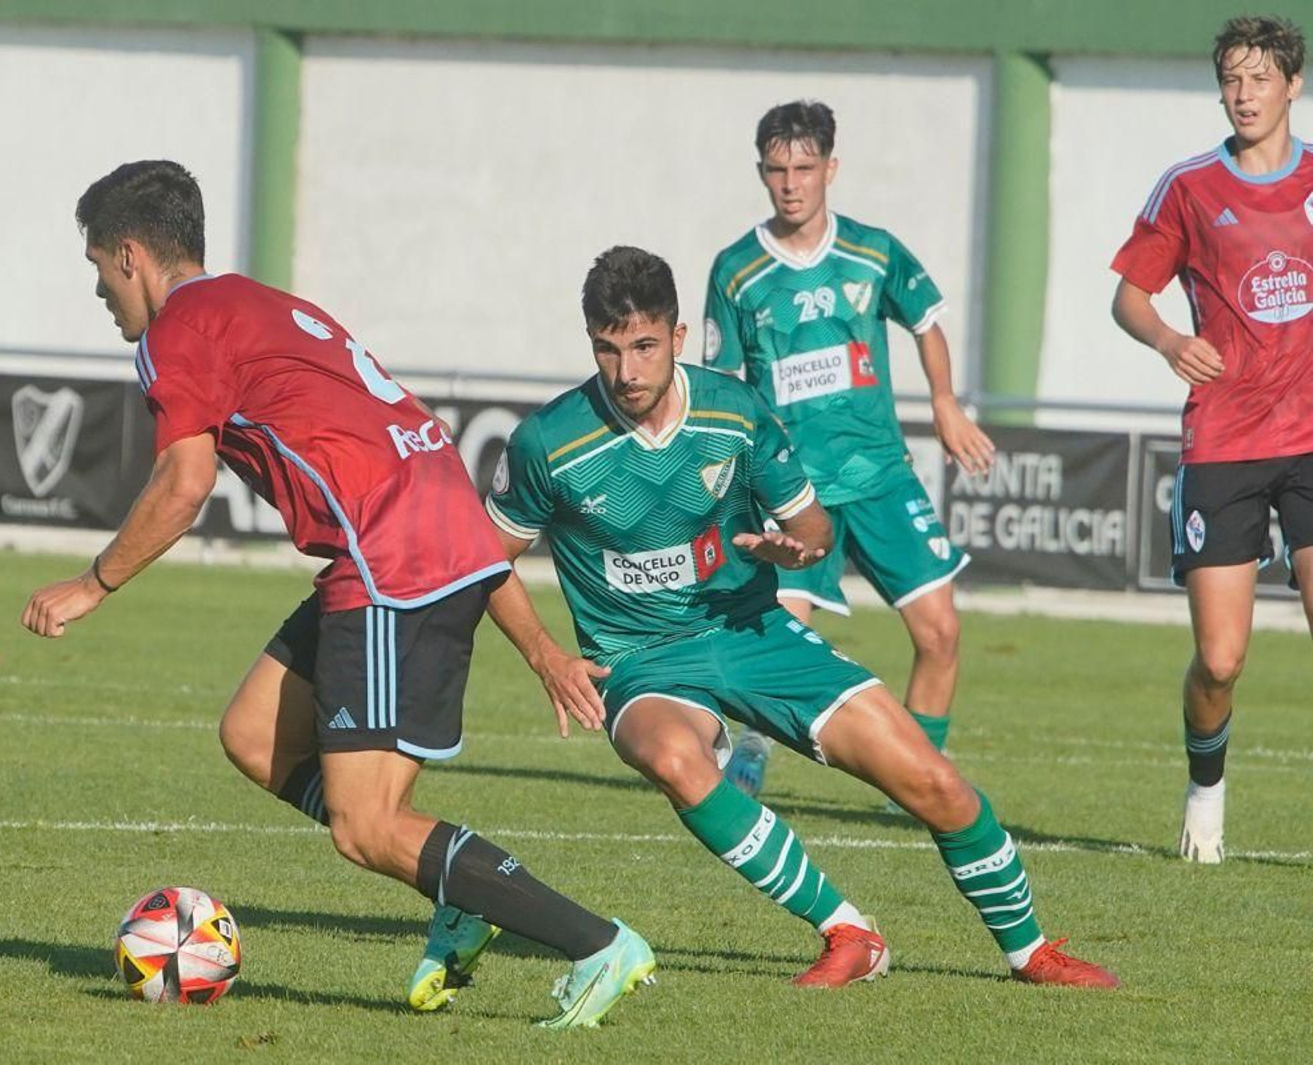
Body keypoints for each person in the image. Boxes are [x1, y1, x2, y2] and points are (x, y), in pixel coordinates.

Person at [20, 160, 654, 1028]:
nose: (98, 289)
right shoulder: (269, 307)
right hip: (409, 542)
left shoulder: (180, 328)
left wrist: (94, 584)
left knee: (366, 825)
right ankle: (457, 889)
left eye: (97, 266)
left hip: (389, 561)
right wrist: (540, 649)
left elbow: (183, 478)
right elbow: (443, 490)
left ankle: (597, 942)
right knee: (252, 733)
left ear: (130, 253)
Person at [472, 244, 1117, 989]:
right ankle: (848, 931)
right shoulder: (548, 441)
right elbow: (485, 558)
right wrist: (548, 656)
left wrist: (799, 549)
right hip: (641, 658)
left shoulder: (735, 412)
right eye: (608, 350)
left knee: (934, 782)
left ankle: (1030, 952)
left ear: (678, 339)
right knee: (674, 759)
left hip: (754, 632)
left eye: (644, 346)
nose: (627, 372)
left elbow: (812, 527)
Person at [702, 101, 993, 799]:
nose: (791, 183)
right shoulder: (737, 271)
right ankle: (748, 744)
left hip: (880, 476)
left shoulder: (874, 251)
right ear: (762, 173)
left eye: (805, 168)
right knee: (778, 646)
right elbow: (721, 383)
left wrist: (945, 402)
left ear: (831, 169)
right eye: (777, 170)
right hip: (793, 489)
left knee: (941, 631)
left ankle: (922, 773)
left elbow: (925, 322)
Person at [1111, 15, 1313, 864]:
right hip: (1225, 442)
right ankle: (1205, 793)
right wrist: (1167, 341)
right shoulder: (1188, 187)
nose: (1243, 93)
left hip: (1309, 439)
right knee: (1221, 661)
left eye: (1260, 78)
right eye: (1231, 78)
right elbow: (1128, 296)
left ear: (1292, 86)